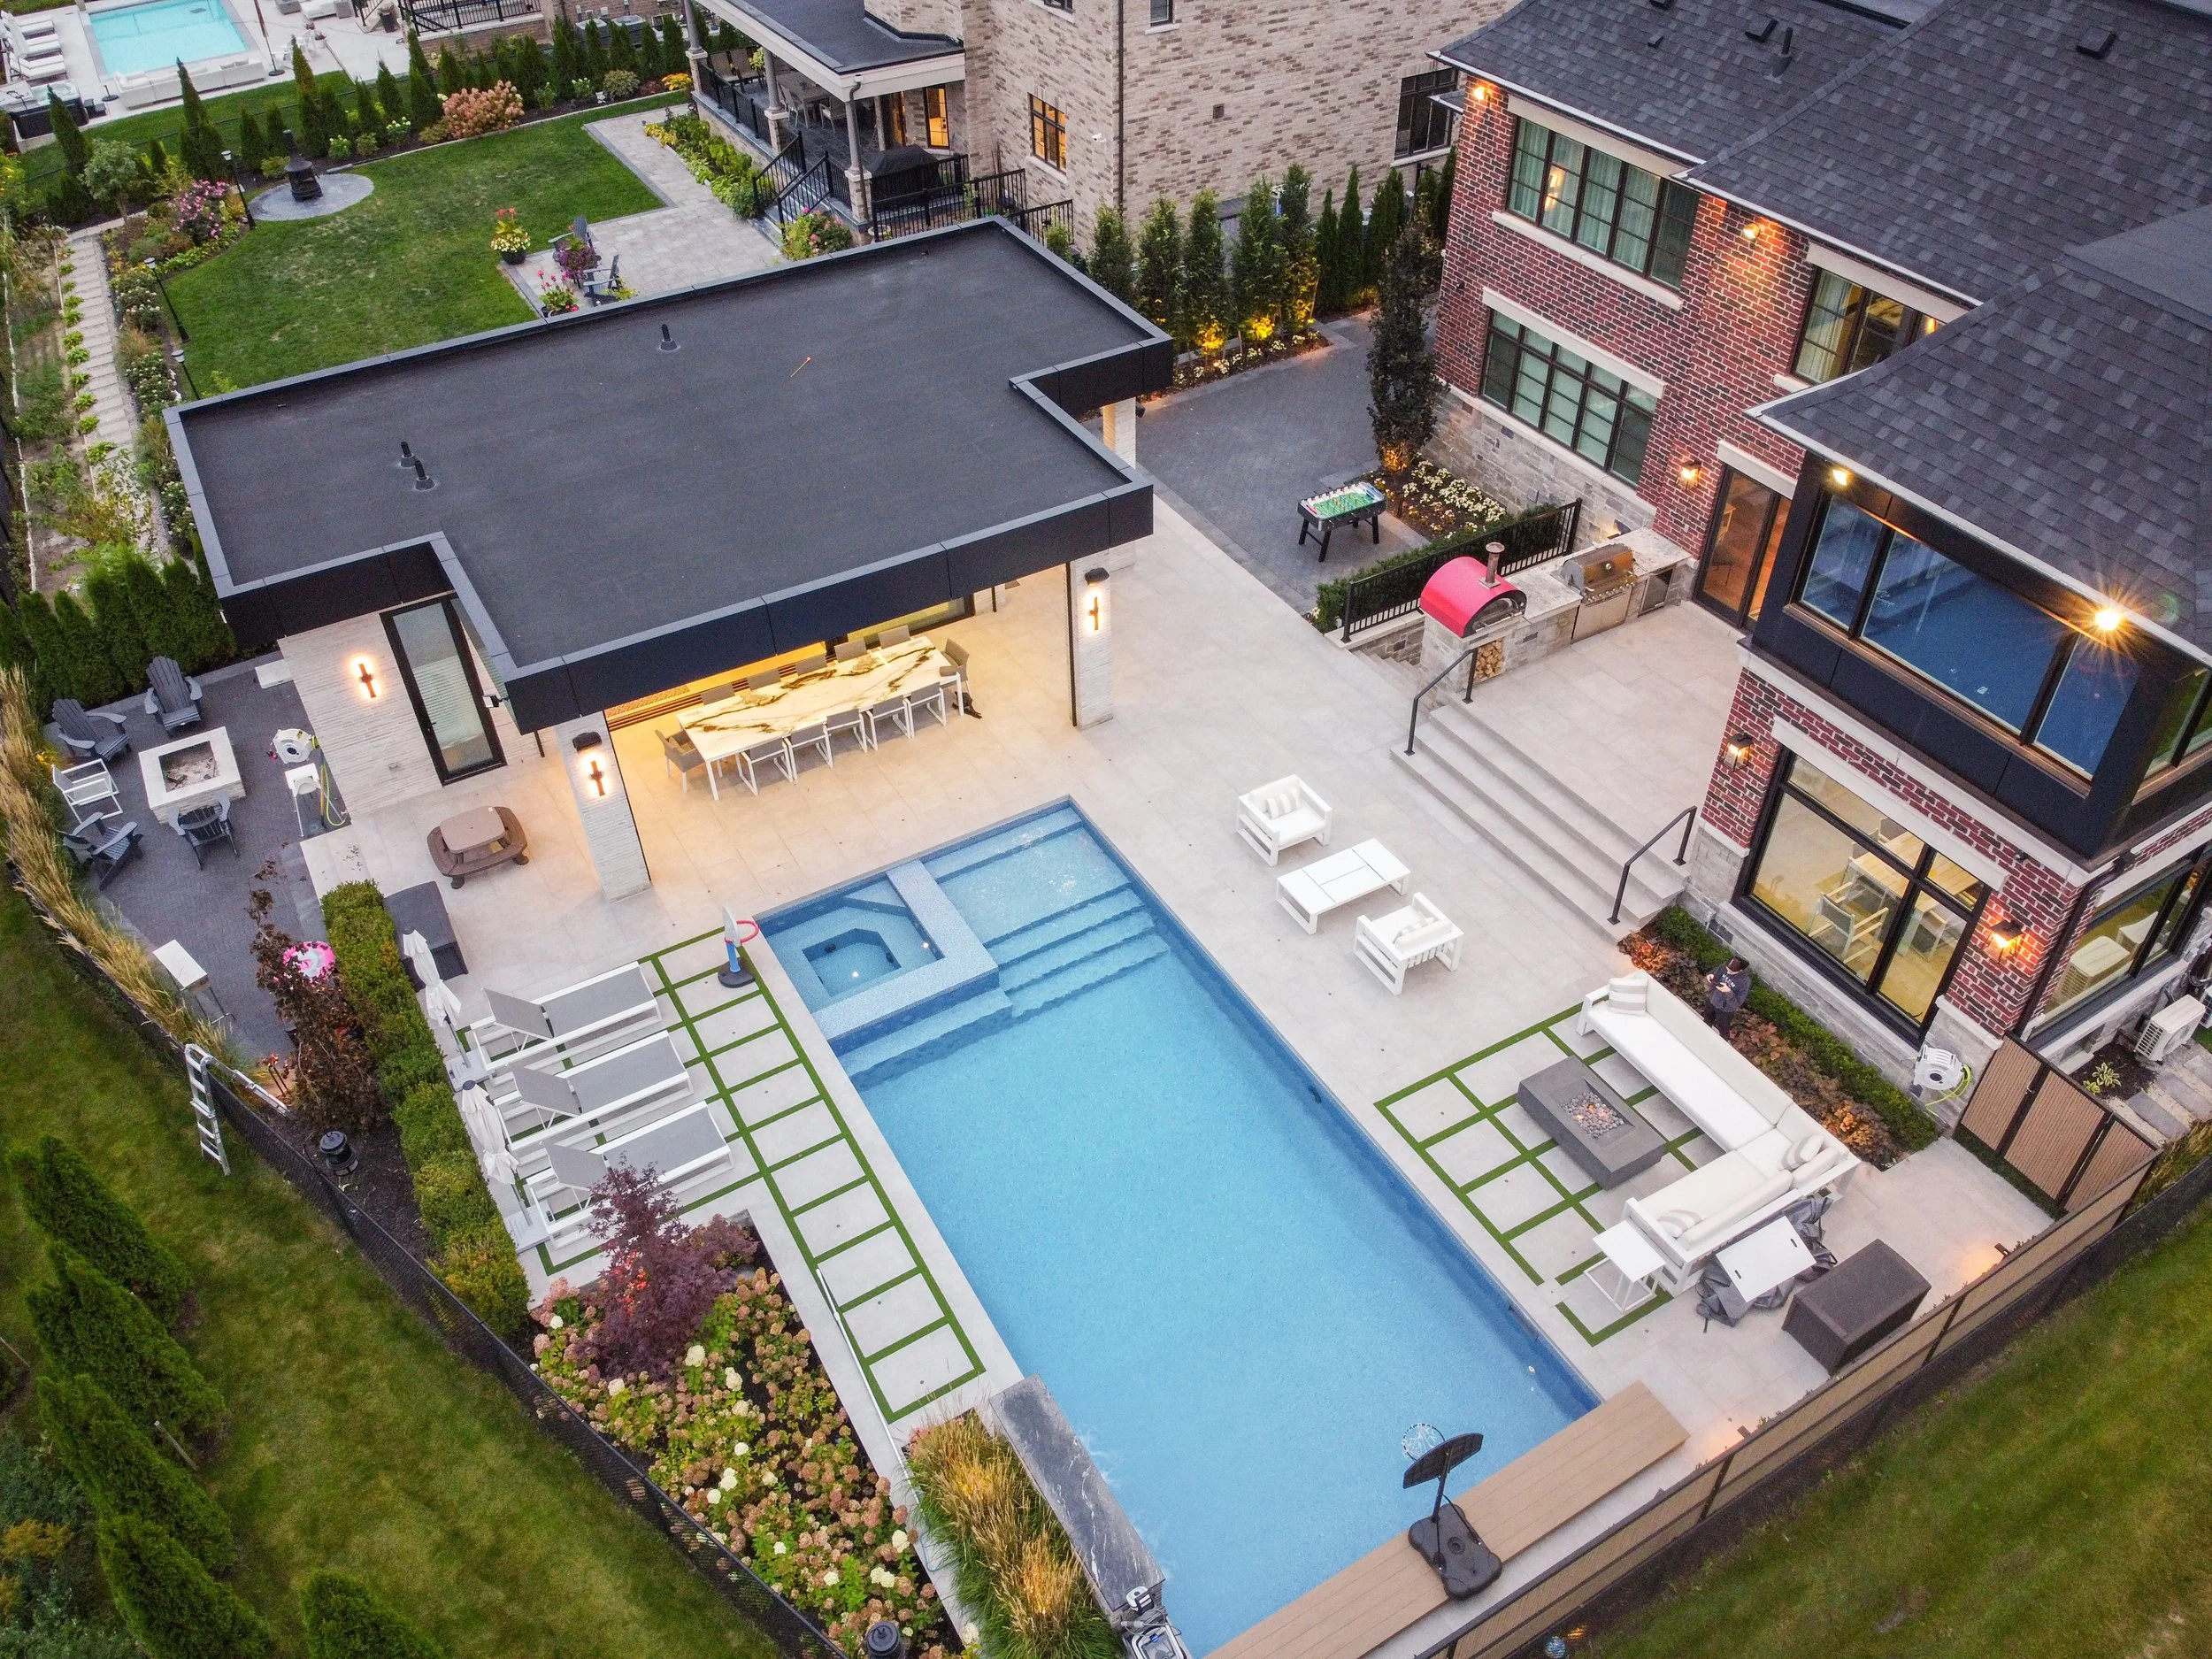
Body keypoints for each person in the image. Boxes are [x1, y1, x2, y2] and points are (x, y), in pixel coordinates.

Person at [1703, 956, 1751, 1037]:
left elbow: (1737, 1003)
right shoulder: (1724, 967)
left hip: (1725, 1009)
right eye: (1727, 969)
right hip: (1712, 1000)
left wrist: (1728, 992)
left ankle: (1723, 1043)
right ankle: (1703, 1035)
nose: (1728, 972)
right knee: (1707, 1020)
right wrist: (1710, 976)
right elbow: (1714, 973)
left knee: (1723, 1028)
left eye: (1731, 972)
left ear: (1741, 970)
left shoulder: (1744, 982)